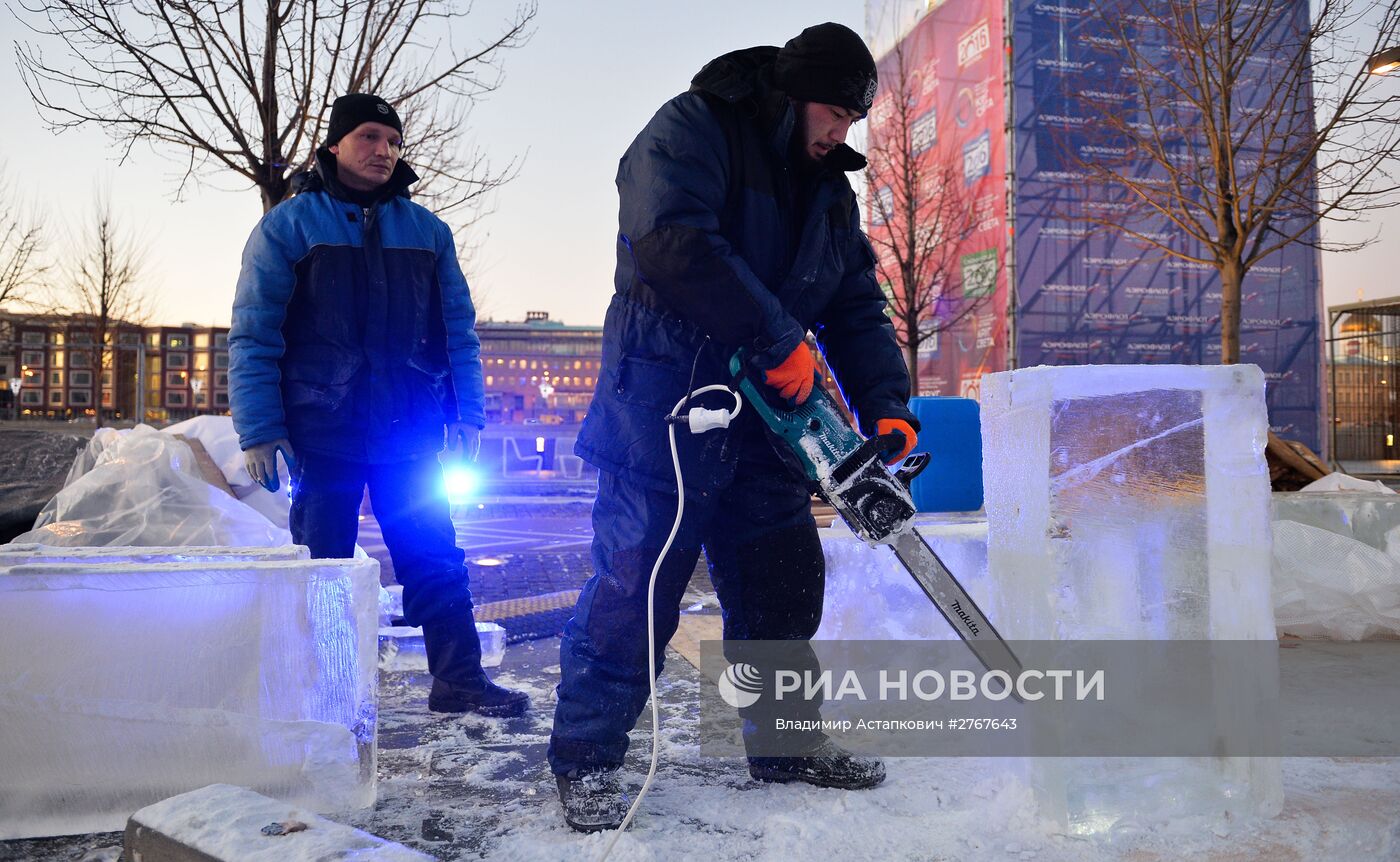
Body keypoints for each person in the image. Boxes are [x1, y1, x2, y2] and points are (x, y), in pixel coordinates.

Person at [548, 23, 920, 831]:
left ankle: (784, 744)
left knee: (783, 584)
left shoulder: (829, 192)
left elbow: (854, 301)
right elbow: (670, 239)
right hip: (665, 412)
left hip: (765, 427)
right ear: (795, 95)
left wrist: (888, 402)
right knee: (635, 589)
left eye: (855, 120)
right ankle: (587, 760)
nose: (841, 133)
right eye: (834, 112)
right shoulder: (694, 127)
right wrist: (777, 336)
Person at [228, 93, 528, 718]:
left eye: (393, 141)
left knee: (435, 558)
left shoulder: (428, 232)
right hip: (322, 429)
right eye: (370, 137)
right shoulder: (288, 227)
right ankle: (326, 696)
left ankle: (460, 684)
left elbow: (457, 332)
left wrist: (467, 412)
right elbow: (255, 333)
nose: (385, 151)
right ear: (334, 144)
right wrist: (260, 429)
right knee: (324, 569)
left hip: (410, 431)